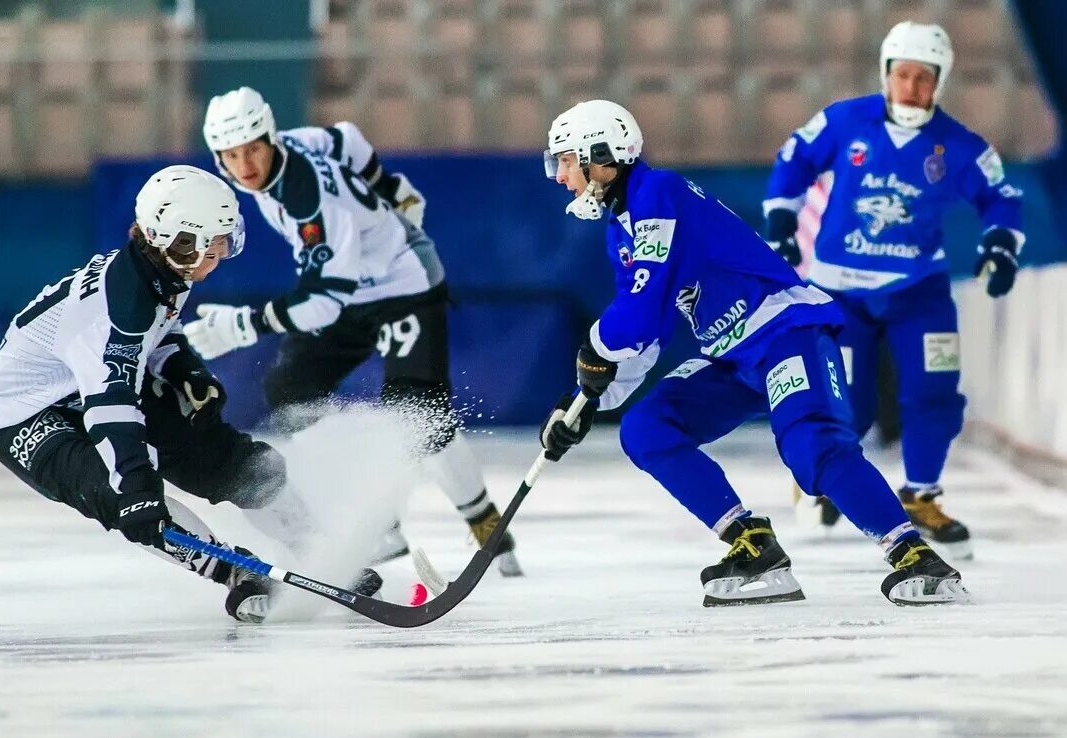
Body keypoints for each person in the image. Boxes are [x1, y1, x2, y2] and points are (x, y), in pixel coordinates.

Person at [538, 99, 969, 606]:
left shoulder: (659, 192)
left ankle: (914, 555)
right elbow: (646, 335)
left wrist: (594, 349)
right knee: (646, 428)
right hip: (732, 355)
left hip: (787, 332)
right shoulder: (621, 231)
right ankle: (753, 544)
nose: (561, 175)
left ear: (603, 154)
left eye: (567, 159)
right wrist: (582, 403)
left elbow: (636, 312)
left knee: (813, 447)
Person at [0, 165, 380, 623]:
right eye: (214, 243)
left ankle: (318, 547)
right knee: (125, 496)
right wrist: (136, 484)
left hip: (93, 383)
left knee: (222, 457)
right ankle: (238, 576)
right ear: (180, 242)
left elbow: (157, 331)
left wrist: (182, 367)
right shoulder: (114, 309)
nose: (222, 253)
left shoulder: (164, 268)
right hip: (26, 415)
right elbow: (111, 406)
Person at [183, 87, 523, 577]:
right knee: (290, 390)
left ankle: (487, 529)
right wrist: (386, 185)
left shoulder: (308, 198)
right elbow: (345, 139)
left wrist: (247, 323)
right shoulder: (296, 144)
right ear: (219, 157)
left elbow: (324, 303)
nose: (246, 165)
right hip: (348, 288)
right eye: (232, 155)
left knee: (419, 416)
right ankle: (382, 524)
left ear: (269, 139)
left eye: (253, 149)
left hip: (401, 284)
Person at [763, 22, 1024, 559]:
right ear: (885, 75)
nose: (911, 88)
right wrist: (783, 226)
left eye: (923, 78)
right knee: (845, 405)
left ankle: (921, 497)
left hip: (917, 291)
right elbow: (793, 161)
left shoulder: (958, 145)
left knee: (934, 393)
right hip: (840, 293)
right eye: (902, 75)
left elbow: (1002, 197)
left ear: (939, 83)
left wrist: (1000, 247)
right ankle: (828, 480)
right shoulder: (843, 121)